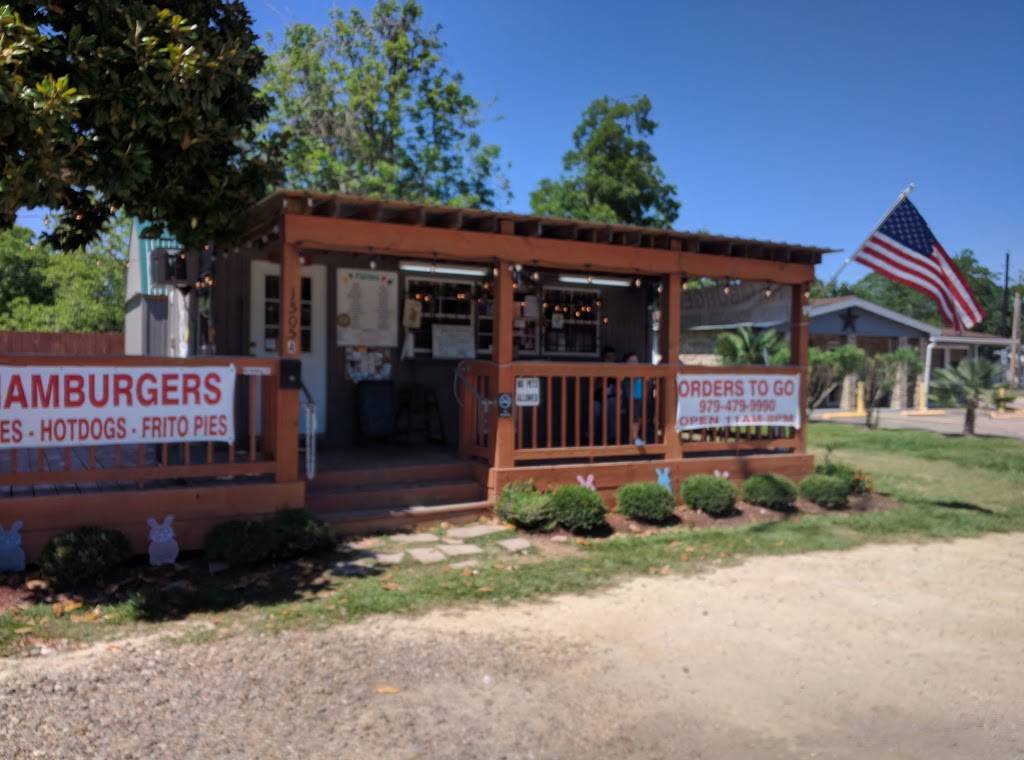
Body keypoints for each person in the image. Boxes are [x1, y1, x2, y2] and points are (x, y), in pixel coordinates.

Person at [624, 352, 645, 446]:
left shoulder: (641, 373)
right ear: (626, 363)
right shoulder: (625, 375)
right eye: (631, 361)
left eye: (636, 361)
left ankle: (635, 438)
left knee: (639, 418)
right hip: (631, 399)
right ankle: (635, 438)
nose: (634, 363)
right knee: (635, 417)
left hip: (641, 399)